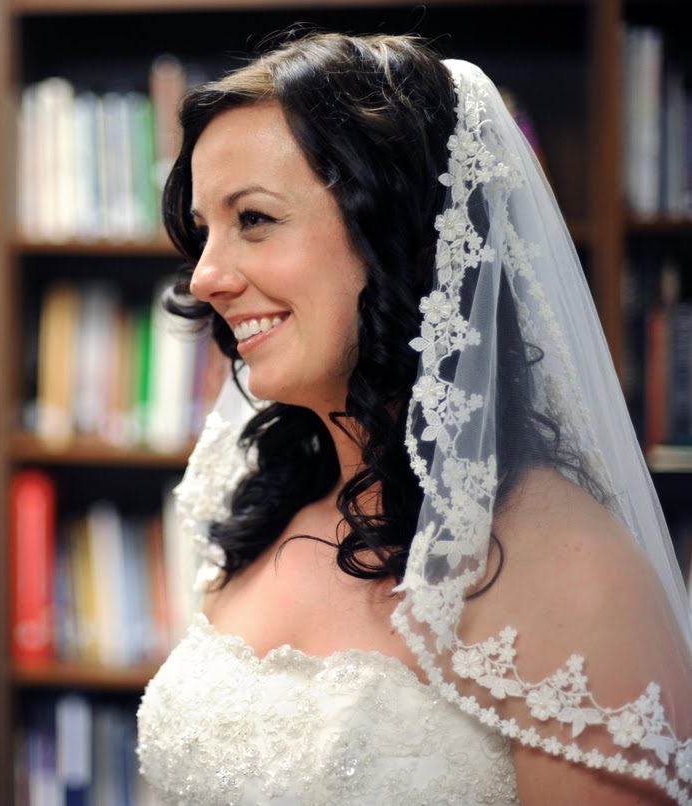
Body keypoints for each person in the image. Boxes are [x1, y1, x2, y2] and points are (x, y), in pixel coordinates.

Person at [135, 31, 692, 805]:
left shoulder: (571, 566)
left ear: (399, 233)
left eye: (254, 219)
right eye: (203, 233)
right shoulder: (246, 500)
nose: (206, 278)